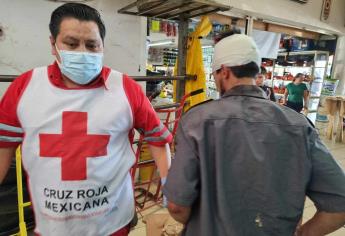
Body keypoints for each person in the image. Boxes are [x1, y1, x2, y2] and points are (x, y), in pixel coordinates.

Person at [0, 3, 172, 236]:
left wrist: (171, 188)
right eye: (71, 44)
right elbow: (3, 149)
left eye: (92, 45)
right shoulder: (25, 88)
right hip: (52, 226)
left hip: (112, 224)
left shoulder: (125, 89)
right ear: (53, 44)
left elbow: (157, 139)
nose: (83, 52)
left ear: (102, 46)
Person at [163, 33, 345, 236]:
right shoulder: (299, 126)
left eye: (215, 74)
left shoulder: (196, 121)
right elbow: (339, 206)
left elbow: (176, 206)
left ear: (224, 72)